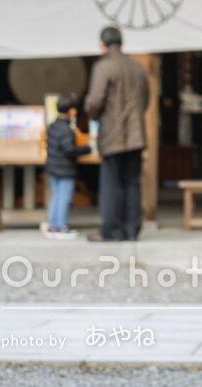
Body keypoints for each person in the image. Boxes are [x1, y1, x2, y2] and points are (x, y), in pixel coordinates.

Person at [84, 25, 149, 243]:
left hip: (113, 135)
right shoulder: (138, 68)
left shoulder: (103, 67)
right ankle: (132, 230)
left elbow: (94, 101)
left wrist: (92, 113)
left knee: (112, 183)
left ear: (103, 44)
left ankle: (112, 230)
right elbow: (145, 100)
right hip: (136, 135)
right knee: (132, 182)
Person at [43, 94, 91, 239]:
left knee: (56, 197)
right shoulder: (66, 129)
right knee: (64, 198)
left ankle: (53, 226)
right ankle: (61, 227)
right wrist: (86, 149)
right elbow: (69, 150)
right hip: (65, 169)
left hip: (53, 167)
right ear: (70, 111)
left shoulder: (53, 125)